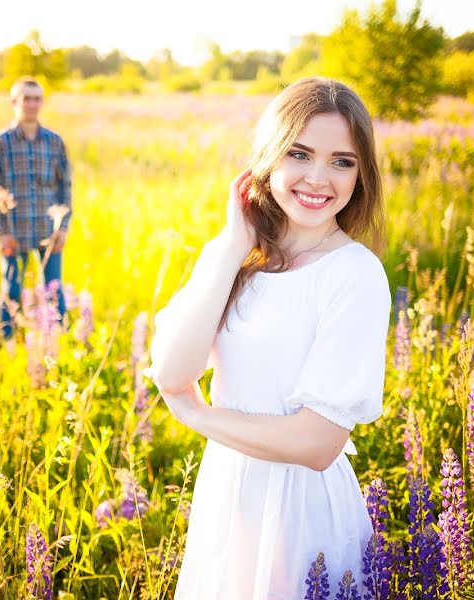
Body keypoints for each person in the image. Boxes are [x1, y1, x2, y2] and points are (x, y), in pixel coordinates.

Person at [147, 77, 391, 598]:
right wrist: (233, 246)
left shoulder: (354, 273)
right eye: (300, 154)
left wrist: (197, 416)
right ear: (269, 158)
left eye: (342, 161)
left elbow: (318, 442)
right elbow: (171, 371)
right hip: (227, 494)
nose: (318, 179)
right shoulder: (236, 253)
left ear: (360, 175)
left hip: (302, 508)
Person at [0, 76, 72, 341]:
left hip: (48, 230)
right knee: (11, 289)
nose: (32, 104)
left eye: (37, 98)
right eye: (26, 98)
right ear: (14, 102)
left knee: (54, 290)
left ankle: (60, 343)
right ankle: (7, 344)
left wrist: (63, 227)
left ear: (42, 102)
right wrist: (1, 233)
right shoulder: (0, 142)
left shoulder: (55, 142)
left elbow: (64, 186)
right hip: (15, 229)